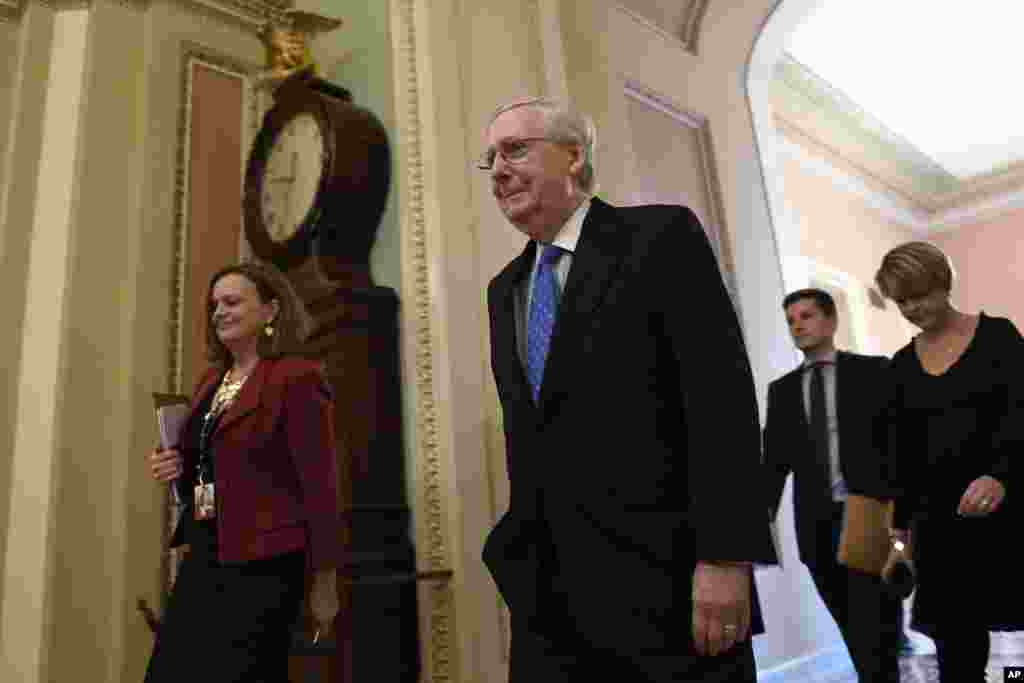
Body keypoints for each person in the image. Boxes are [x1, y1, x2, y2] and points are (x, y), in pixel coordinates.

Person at [479, 96, 775, 682]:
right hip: (550, 600)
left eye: (515, 149)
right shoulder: (504, 287)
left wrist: (724, 556)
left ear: (573, 155)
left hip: (667, 586)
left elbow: (720, 401)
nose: (500, 169)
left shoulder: (659, 236)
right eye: (490, 159)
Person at [144, 261, 342, 682]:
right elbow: (206, 466)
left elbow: (321, 485)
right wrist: (174, 465)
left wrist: (326, 581)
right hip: (206, 556)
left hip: (265, 568)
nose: (219, 312)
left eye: (232, 301)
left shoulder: (297, 378)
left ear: (270, 311)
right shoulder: (210, 381)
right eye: (214, 304)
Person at [877, 242, 1024, 682]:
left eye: (920, 294)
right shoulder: (901, 366)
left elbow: (1022, 414)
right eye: (902, 301)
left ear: (944, 283)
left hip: (1007, 515)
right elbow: (903, 457)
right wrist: (900, 539)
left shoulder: (998, 336)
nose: (912, 308)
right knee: (956, 651)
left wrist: (1001, 476)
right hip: (940, 528)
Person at [763, 289, 901, 682]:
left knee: (878, 621)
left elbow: (899, 443)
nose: (797, 326)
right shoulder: (783, 391)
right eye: (791, 320)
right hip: (816, 526)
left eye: (806, 316)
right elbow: (773, 463)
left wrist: (903, 513)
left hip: (869, 516)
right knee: (850, 623)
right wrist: (759, 522)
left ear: (830, 320)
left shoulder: (874, 371)